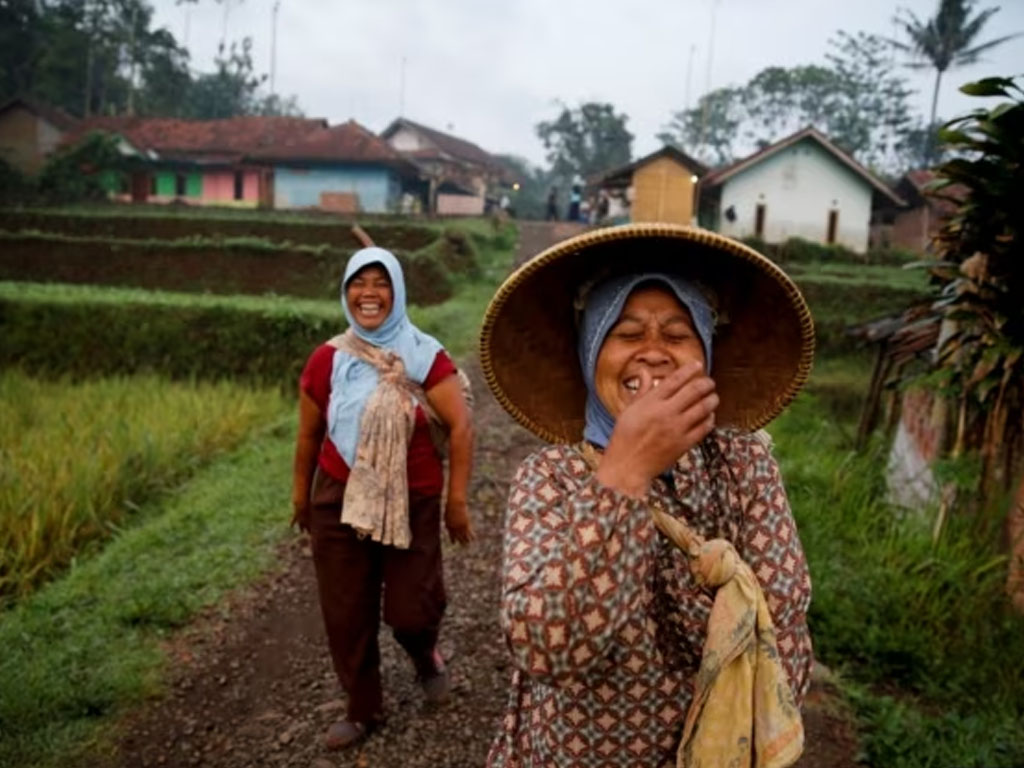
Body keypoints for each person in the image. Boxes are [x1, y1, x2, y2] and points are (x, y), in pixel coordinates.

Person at [479, 224, 815, 767]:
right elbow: (546, 647)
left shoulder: (744, 465)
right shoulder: (550, 478)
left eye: (678, 335)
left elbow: (784, 624)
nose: (654, 354)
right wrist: (627, 471)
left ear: (705, 352)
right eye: (627, 334)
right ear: (591, 354)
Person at [292, 246, 474, 751]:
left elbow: (460, 427)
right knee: (346, 610)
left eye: (380, 284)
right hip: (339, 495)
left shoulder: (423, 354)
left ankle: (424, 653)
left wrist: (456, 500)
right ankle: (362, 707)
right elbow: (308, 436)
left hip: (411, 497)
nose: (368, 294)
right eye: (358, 283)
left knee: (411, 610)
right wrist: (301, 497)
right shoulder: (328, 358)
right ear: (346, 291)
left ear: (397, 293)